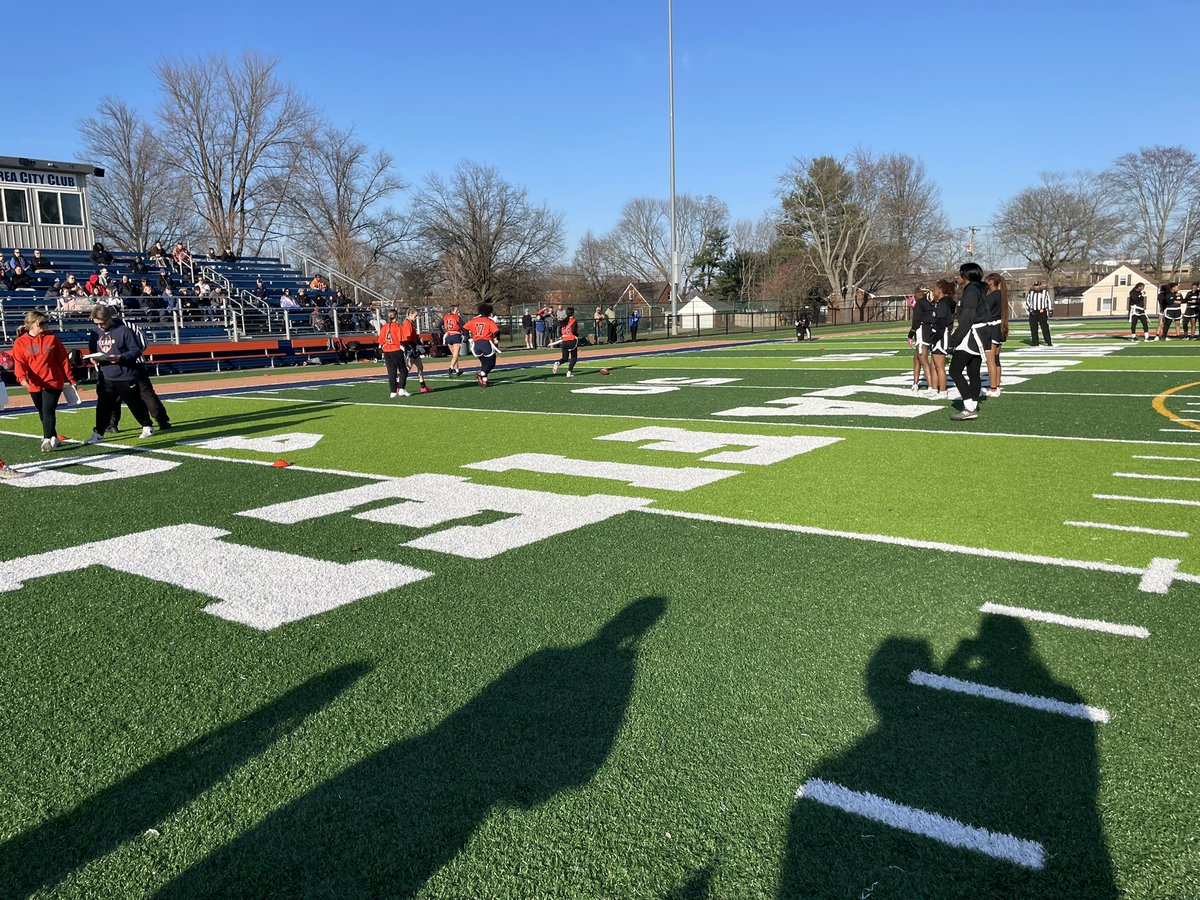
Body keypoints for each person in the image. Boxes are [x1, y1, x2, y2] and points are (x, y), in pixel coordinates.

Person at [83, 305, 155, 444]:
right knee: (103, 406)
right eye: (97, 323)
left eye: (102, 323)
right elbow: (92, 349)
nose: (100, 326)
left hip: (125, 375)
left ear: (109, 318)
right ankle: (98, 432)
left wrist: (120, 357)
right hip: (106, 376)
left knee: (135, 403)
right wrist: (93, 358)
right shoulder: (95, 333)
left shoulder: (124, 331)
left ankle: (147, 425)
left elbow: (136, 350)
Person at [12, 311, 78, 452]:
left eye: (45, 323)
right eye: (41, 323)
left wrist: (70, 378)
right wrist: (22, 379)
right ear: (31, 325)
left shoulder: (52, 339)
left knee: (48, 410)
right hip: (34, 383)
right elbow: (19, 363)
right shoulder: (20, 342)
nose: (45, 326)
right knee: (42, 411)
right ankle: (53, 436)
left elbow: (63, 360)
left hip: (53, 381)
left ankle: (47, 438)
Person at [948, 264, 988, 420]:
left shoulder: (971, 290)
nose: (956, 278)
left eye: (959, 275)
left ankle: (969, 407)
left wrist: (954, 340)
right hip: (981, 333)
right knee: (973, 371)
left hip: (972, 334)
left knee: (955, 370)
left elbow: (967, 318)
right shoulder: (978, 289)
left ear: (966, 276)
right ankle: (973, 403)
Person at [983, 272, 1009, 398]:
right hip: (999, 327)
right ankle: (997, 385)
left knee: (991, 360)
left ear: (991, 282)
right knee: (996, 359)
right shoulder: (1001, 295)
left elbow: (982, 308)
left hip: (993, 328)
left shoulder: (993, 296)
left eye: (987, 281)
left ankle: (993, 388)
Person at [928, 280, 954, 400]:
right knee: (933, 364)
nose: (933, 291)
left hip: (941, 336)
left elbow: (942, 323)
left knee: (939, 366)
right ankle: (934, 389)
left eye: (934, 289)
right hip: (937, 336)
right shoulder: (940, 303)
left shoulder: (943, 304)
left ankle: (943, 391)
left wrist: (935, 338)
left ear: (940, 289)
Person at [465, 302, 501, 387]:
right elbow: (497, 331)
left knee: (484, 364)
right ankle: (481, 374)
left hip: (476, 344)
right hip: (486, 343)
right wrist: (497, 339)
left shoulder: (474, 320)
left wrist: (469, 338)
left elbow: (464, 328)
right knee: (491, 364)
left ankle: (484, 381)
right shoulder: (489, 321)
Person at [907, 289, 935, 394]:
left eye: (914, 295)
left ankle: (931, 386)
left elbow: (916, 321)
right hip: (927, 331)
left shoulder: (919, 304)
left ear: (919, 294)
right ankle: (915, 383)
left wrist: (910, 335)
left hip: (922, 332)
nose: (913, 297)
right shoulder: (928, 304)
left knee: (923, 358)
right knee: (916, 358)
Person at [379, 309, 410, 398]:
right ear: (396, 316)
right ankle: (401, 389)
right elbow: (402, 340)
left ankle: (393, 391)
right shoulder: (397, 326)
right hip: (396, 349)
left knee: (391, 372)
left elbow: (381, 341)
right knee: (403, 369)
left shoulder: (384, 327)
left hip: (387, 351)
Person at [551, 306, 581, 377]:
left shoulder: (563, 322)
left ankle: (558, 363)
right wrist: (577, 335)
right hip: (571, 340)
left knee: (565, 358)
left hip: (564, 341)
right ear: (573, 313)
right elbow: (574, 331)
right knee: (574, 357)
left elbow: (560, 331)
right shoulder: (574, 320)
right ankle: (569, 372)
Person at [1025, 280, 1052, 347]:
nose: (1037, 287)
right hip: (1033, 312)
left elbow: (1048, 301)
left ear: (1040, 285)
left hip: (1042, 311)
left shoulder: (1045, 292)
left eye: (1038, 286)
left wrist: (1050, 310)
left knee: (1045, 327)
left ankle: (1048, 342)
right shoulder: (1030, 293)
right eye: (1035, 286)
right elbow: (1027, 301)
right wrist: (1030, 309)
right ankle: (1035, 343)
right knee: (1033, 328)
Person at [442, 304, 465, 375]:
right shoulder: (456, 317)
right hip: (456, 336)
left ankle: (457, 370)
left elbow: (439, 325)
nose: (458, 311)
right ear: (453, 310)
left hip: (449, 336)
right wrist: (465, 334)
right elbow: (462, 326)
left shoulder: (445, 317)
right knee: (456, 355)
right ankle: (451, 368)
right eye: (456, 310)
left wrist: (444, 332)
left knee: (454, 355)